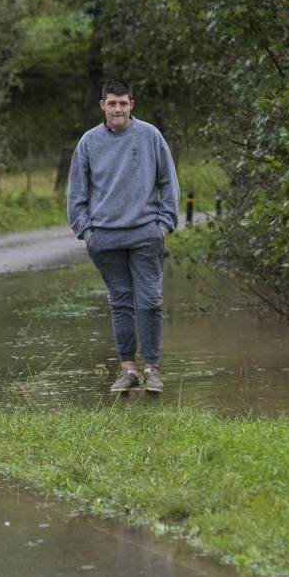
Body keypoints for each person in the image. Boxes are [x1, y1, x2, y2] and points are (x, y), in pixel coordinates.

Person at [67, 79, 180, 393]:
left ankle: (152, 370)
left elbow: (168, 183)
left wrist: (164, 224)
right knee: (120, 302)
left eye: (124, 103)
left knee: (151, 301)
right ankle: (127, 370)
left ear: (132, 104)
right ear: (102, 105)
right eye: (112, 103)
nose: (118, 108)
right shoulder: (88, 142)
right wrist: (87, 232)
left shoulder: (150, 136)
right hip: (105, 238)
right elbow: (77, 193)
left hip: (146, 233)